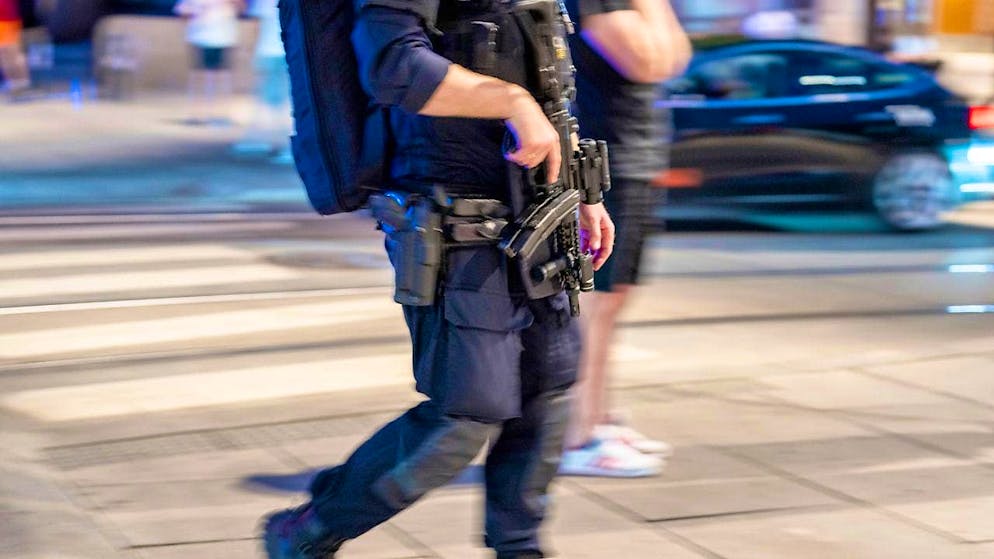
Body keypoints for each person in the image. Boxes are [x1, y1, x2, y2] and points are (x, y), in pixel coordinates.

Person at [261, 0, 615, 557]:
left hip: (542, 213)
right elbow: (394, 67)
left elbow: (550, 78)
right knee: (464, 417)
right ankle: (309, 528)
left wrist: (584, 194)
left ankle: (520, 548)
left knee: (547, 397)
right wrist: (511, 101)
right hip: (458, 226)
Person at [559, 0, 691, 478]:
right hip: (608, 161)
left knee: (614, 303)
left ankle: (601, 418)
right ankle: (578, 436)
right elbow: (651, 61)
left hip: (639, 158)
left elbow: (676, 55)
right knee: (594, 307)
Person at [231, 0, 291, 161]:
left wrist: (251, 52)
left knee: (279, 103)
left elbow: (256, 28)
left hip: (273, 53)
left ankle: (284, 145)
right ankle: (264, 139)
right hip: (279, 53)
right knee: (272, 100)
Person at [173, 0, 244, 124]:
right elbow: (182, 12)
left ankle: (221, 115)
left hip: (224, 39)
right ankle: (196, 115)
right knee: (198, 77)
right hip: (199, 39)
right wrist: (199, 12)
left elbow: (240, 8)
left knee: (222, 78)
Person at [0, 0, 30, 100]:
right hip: (5, 18)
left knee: (11, 51)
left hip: (8, 18)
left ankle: (22, 83)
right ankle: (14, 84)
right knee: (4, 53)